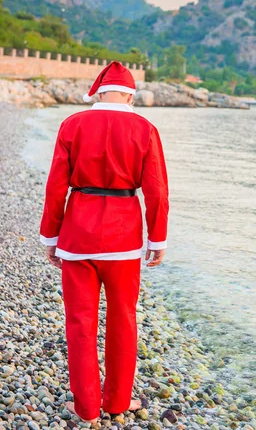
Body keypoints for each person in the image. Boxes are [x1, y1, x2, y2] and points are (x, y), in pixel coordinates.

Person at [39, 61, 169, 423]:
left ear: (97, 93)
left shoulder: (72, 124)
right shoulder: (145, 129)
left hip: (77, 235)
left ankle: (85, 408)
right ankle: (116, 403)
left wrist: (51, 235)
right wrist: (157, 238)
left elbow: (55, 187)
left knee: (80, 323)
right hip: (124, 238)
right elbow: (156, 190)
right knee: (123, 320)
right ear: (130, 94)